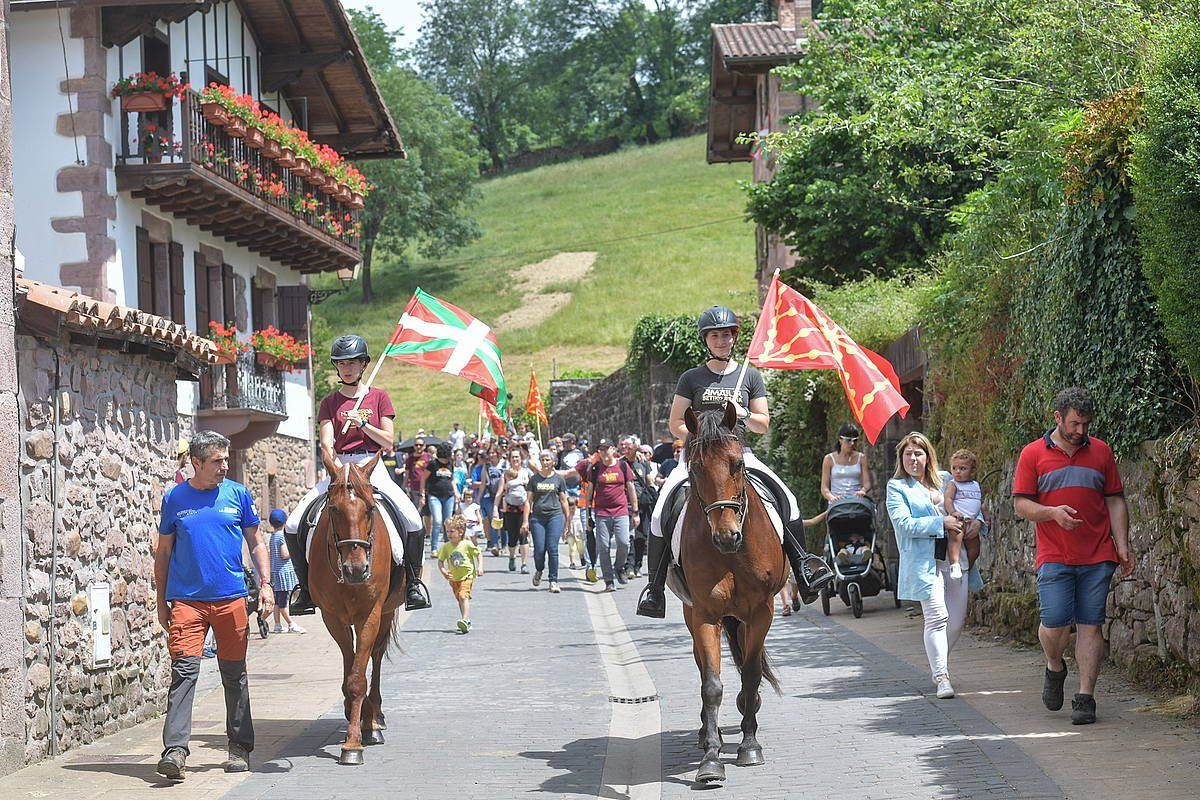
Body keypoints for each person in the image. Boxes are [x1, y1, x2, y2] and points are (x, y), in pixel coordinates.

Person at [638, 306, 834, 618]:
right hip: (698, 457)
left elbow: (762, 423)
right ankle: (655, 588)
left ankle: (803, 570)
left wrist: (743, 414)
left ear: (734, 338)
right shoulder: (691, 378)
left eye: (726, 334)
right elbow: (676, 423)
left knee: (789, 500)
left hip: (739, 455)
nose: (721, 340)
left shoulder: (750, 376)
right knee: (661, 510)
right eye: (715, 335)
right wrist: (701, 430)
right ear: (706, 340)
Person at [154, 431, 273, 779]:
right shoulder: (175, 498)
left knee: (234, 675)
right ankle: (175, 751)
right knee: (184, 673)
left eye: (226, 459)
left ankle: (239, 748)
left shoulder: (237, 494)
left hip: (231, 599)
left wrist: (266, 585)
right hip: (187, 603)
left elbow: (257, 542)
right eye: (217, 460)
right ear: (196, 462)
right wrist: (162, 601)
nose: (225, 465)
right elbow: (163, 552)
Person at [283, 335, 429, 613]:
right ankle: (305, 589)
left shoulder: (379, 397)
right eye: (341, 363)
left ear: (363, 365)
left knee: (413, 521)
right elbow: (326, 441)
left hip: (373, 467)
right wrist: (332, 459)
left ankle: (412, 585)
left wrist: (363, 424)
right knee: (292, 524)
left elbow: (387, 441)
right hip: (340, 467)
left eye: (352, 363)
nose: (347, 368)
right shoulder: (329, 402)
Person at [1013, 387, 1131, 726]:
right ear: (1058, 418)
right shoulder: (1032, 454)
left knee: (1091, 624)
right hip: (1055, 555)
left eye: (1086, 424)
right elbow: (1021, 504)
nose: (1081, 431)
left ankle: (1085, 697)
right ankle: (1055, 665)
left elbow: (1115, 500)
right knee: (1055, 624)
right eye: (1075, 424)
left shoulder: (1102, 453)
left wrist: (1121, 544)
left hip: (1098, 554)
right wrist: (1052, 514)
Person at [886, 432, 965, 700]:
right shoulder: (897, 488)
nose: (913, 458)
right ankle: (942, 676)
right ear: (901, 458)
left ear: (927, 455)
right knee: (937, 617)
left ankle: (939, 661)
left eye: (918, 453)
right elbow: (904, 524)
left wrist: (977, 524)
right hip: (922, 561)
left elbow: (969, 507)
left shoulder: (946, 480)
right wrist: (939, 523)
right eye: (907, 454)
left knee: (955, 622)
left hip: (954, 559)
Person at [582, 440, 638, 592]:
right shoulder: (595, 468)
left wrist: (635, 512)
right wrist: (588, 515)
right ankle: (608, 580)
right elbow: (589, 492)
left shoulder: (622, 466)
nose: (604, 452)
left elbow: (631, 488)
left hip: (621, 511)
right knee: (604, 547)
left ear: (613, 449)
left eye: (606, 449)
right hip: (601, 513)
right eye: (601, 449)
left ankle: (619, 567)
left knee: (624, 542)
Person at [525, 450, 569, 593]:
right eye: (542, 460)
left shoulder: (558, 479)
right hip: (537, 517)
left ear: (553, 462)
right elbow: (528, 501)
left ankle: (553, 580)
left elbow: (563, 500)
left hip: (555, 516)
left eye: (547, 460)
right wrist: (525, 521)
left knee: (552, 548)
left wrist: (567, 520)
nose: (544, 463)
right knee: (539, 550)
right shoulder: (534, 479)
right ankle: (539, 570)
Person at [436, 515, 483, 633]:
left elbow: (478, 554)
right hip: (454, 578)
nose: (449, 534)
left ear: (461, 532)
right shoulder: (446, 547)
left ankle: (464, 619)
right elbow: (440, 562)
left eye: (452, 531)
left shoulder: (467, 544)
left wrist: (480, 567)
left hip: (467, 575)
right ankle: (466, 621)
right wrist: (444, 572)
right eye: (447, 531)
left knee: (463, 596)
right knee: (460, 599)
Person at [944, 448, 984, 581]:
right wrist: (953, 512)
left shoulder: (975, 485)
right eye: (954, 468)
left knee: (975, 549)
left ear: (972, 471)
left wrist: (984, 515)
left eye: (962, 468)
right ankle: (954, 564)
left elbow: (978, 502)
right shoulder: (953, 484)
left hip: (971, 521)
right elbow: (948, 499)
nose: (957, 471)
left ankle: (968, 566)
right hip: (959, 520)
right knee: (955, 540)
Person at [621, 437, 657, 578]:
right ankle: (629, 566)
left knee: (641, 536)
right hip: (627, 506)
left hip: (643, 504)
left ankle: (637, 565)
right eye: (624, 447)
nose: (626, 450)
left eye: (629, 447)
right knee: (630, 536)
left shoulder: (643, 462)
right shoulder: (620, 464)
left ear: (636, 448)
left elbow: (649, 481)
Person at [266, 509, 303, 634]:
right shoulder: (282, 537)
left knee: (277, 601)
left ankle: (277, 625)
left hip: (276, 572)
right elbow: (284, 554)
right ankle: (291, 624)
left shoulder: (273, 537)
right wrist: (293, 551)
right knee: (283, 602)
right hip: (283, 573)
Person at [495, 447, 532, 572]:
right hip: (510, 510)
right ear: (510, 459)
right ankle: (512, 557)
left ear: (521, 458)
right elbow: (500, 493)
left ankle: (524, 564)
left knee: (523, 535)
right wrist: (495, 509)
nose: (515, 459)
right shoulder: (505, 474)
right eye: (513, 457)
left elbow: (532, 492)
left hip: (524, 508)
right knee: (512, 538)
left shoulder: (526, 473)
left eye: (517, 457)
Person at [821, 422, 873, 502]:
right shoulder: (829, 459)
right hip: (837, 503)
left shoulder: (861, 458)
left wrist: (863, 491)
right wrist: (831, 497)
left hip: (856, 501)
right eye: (848, 440)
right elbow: (824, 488)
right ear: (840, 440)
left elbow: (867, 483)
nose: (852, 444)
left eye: (855, 440)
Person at [423, 443, 459, 554]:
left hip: (449, 496)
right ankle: (434, 548)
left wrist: (456, 492)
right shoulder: (433, 464)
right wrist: (422, 493)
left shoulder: (450, 464)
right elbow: (423, 478)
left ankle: (448, 546)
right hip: (434, 495)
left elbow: (451, 479)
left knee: (448, 522)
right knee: (438, 521)